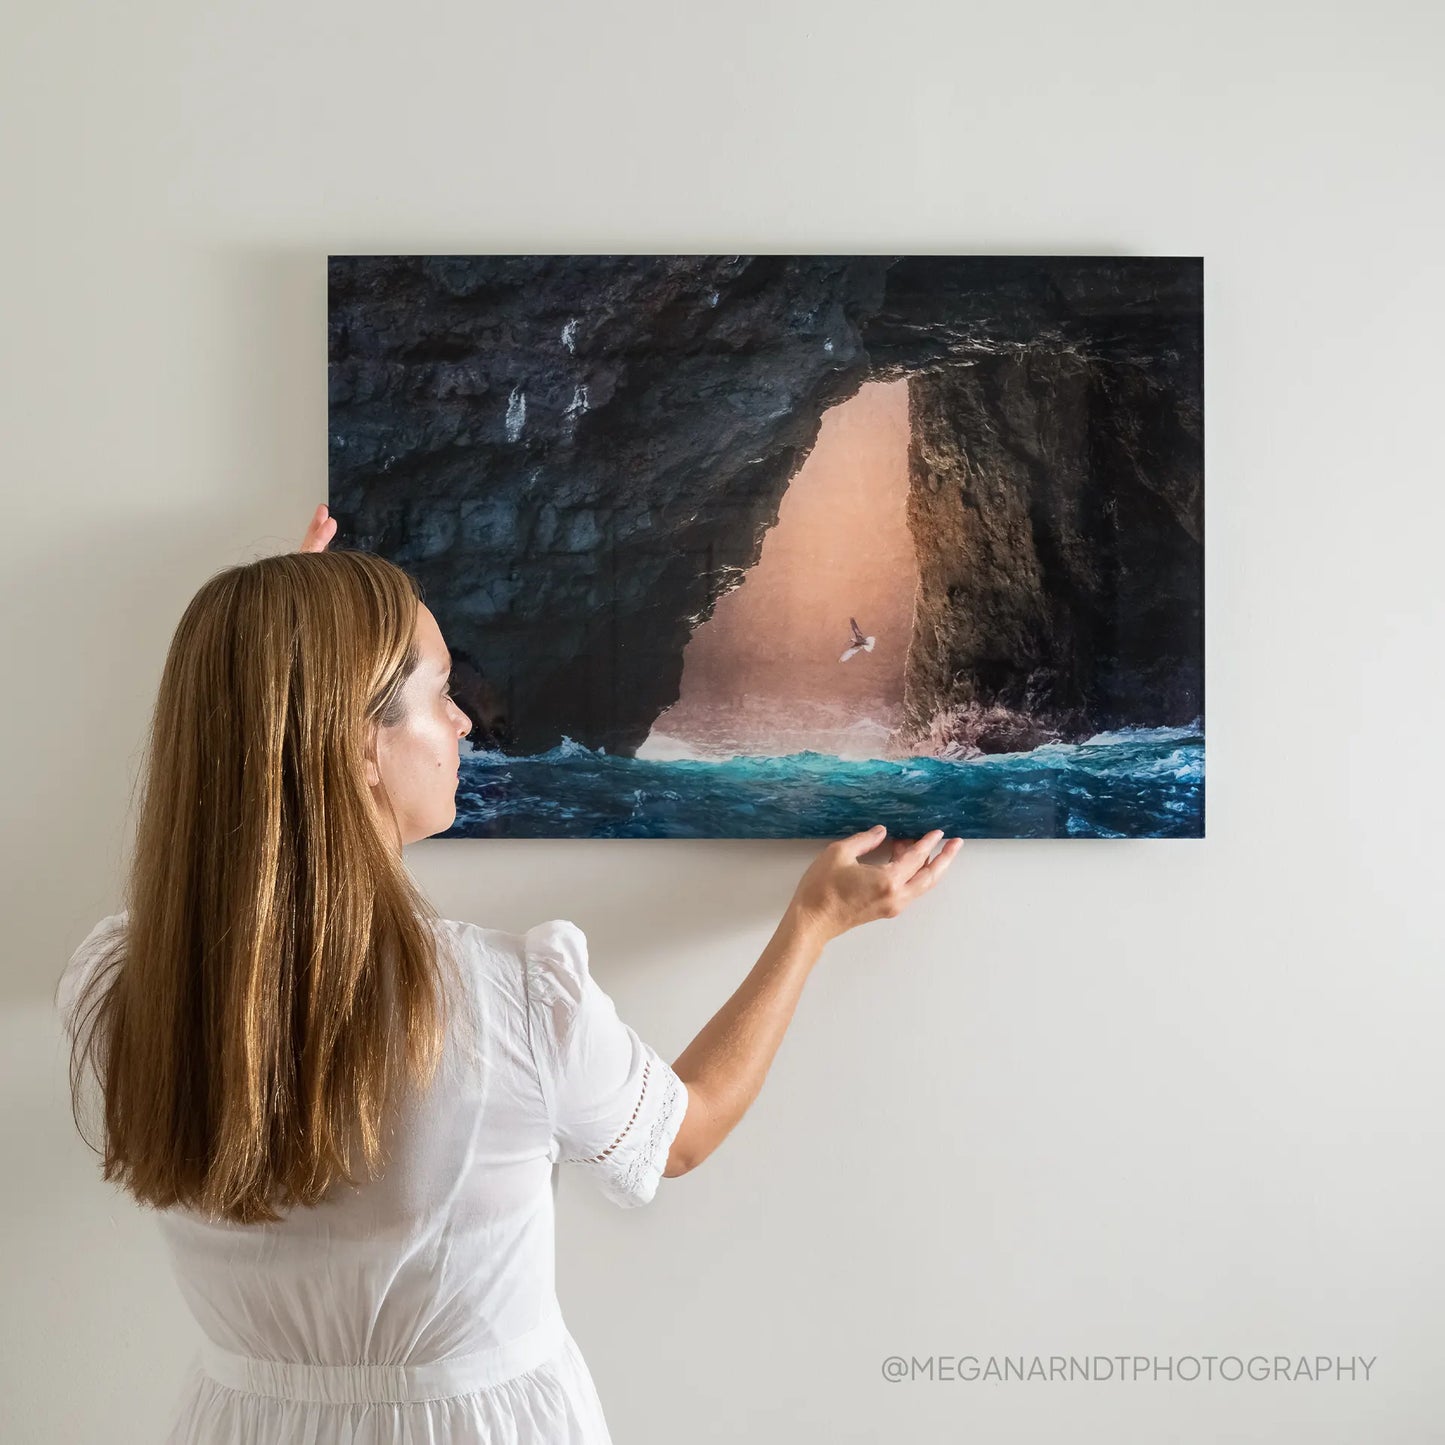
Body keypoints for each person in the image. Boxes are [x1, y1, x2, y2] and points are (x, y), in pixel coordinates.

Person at [56, 503, 964, 1444]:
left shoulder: (121, 983)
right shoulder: (512, 1001)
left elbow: (262, 777)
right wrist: (813, 920)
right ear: (354, 744)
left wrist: (278, 654)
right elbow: (678, 1136)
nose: (463, 722)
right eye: (442, 691)